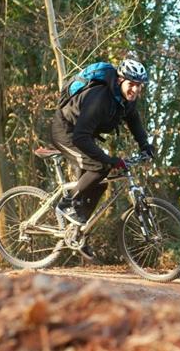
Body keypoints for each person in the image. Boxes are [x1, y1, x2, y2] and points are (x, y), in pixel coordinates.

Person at [50, 58, 155, 259]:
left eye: (139, 86)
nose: (135, 90)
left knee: (100, 182)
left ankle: (78, 234)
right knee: (100, 166)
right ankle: (66, 204)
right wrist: (110, 160)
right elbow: (80, 137)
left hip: (82, 134)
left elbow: (134, 121)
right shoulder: (100, 98)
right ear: (119, 81)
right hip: (66, 132)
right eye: (131, 84)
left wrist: (145, 145)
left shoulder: (127, 101)